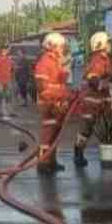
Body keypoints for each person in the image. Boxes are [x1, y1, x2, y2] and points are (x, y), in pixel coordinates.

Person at [73, 31, 112, 167]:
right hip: (91, 102)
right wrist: (105, 81)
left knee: (100, 128)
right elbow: (94, 79)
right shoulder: (97, 60)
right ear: (101, 44)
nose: (110, 45)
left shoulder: (105, 59)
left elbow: (106, 77)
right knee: (86, 129)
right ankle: (78, 153)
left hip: (99, 101)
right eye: (108, 42)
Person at [34, 32, 70, 175]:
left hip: (57, 102)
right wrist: (54, 103)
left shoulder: (55, 61)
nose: (62, 49)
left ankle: (52, 161)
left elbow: (59, 83)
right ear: (52, 46)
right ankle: (43, 163)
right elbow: (43, 88)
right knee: (48, 134)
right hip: (49, 104)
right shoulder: (45, 63)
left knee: (55, 133)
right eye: (60, 46)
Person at [0, 46, 15, 119]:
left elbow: (13, 69)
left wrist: (12, 76)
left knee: (9, 95)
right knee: (1, 95)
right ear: (1, 51)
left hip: (8, 79)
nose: (5, 52)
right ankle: (2, 112)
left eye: (6, 51)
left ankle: (9, 111)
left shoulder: (9, 60)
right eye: (3, 50)